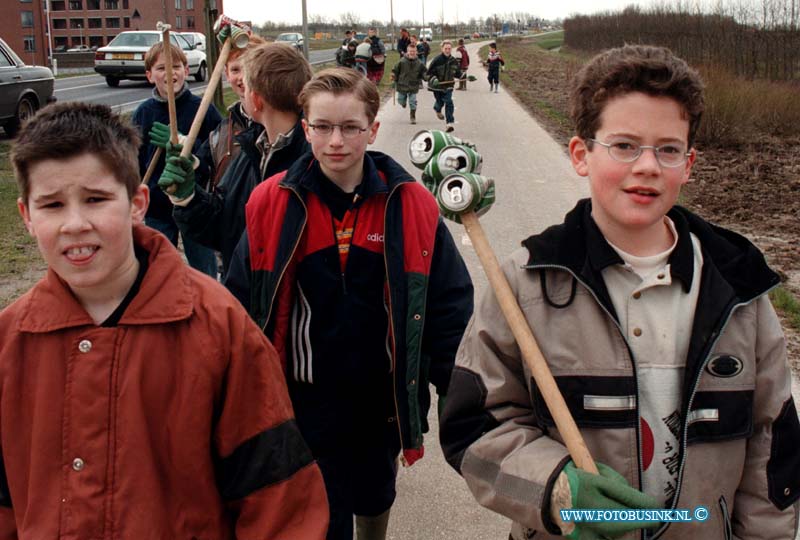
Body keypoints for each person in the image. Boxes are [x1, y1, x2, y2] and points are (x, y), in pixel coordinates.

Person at [439, 44, 800, 540]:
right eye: (625, 145)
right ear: (581, 155)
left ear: (688, 164)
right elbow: (472, 429)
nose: (648, 165)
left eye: (668, 149)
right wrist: (554, 491)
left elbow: (771, 447)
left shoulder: (742, 292)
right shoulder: (523, 285)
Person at [3, 102, 329, 539]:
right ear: (27, 217)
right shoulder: (10, 343)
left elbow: (277, 500)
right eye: (52, 205)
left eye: (96, 199)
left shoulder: (218, 328)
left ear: (137, 202)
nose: (75, 224)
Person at [224, 67, 474, 540]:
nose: (335, 141)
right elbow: (239, 305)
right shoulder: (269, 205)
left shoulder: (412, 206)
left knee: (376, 494)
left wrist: (462, 395)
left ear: (373, 129)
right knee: (323, 511)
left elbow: (449, 310)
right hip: (305, 402)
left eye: (350, 127)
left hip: (381, 401)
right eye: (322, 127)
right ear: (305, 129)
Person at [169, 42, 312, 275]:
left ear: (255, 101)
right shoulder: (252, 148)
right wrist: (188, 200)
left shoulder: (311, 158)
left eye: (245, 88)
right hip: (242, 291)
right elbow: (225, 228)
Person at [131, 41, 221, 278]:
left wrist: (185, 144)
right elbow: (133, 159)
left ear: (186, 71)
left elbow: (219, 151)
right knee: (158, 269)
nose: (170, 73)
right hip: (157, 206)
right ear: (150, 76)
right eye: (161, 68)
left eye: (176, 66)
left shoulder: (202, 109)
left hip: (195, 201)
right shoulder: (143, 113)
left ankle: (209, 308)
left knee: (204, 270)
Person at [426, 40, 461, 132]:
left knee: (449, 102)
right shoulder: (437, 60)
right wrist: (434, 79)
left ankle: (449, 123)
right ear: (442, 49)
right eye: (446, 48)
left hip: (448, 85)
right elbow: (428, 73)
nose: (447, 50)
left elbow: (458, 73)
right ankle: (437, 109)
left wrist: (465, 76)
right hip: (437, 86)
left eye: (449, 49)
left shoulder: (453, 61)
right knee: (440, 102)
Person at [391, 43, 427, 124]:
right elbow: (395, 70)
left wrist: (426, 77)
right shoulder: (402, 61)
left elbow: (424, 72)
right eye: (410, 51)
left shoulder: (419, 63)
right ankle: (403, 103)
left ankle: (412, 116)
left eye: (414, 51)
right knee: (400, 100)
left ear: (416, 52)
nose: (412, 53)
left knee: (412, 101)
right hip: (402, 85)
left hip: (413, 85)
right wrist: (393, 76)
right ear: (407, 51)